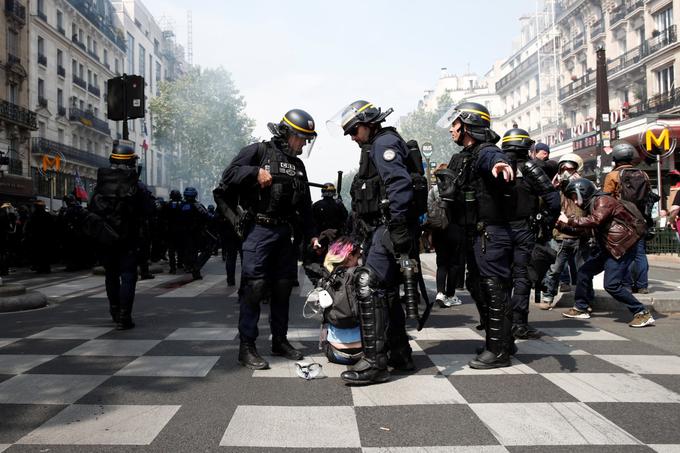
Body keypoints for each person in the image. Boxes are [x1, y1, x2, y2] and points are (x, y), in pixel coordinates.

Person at [333, 100, 424, 384]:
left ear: (369, 123)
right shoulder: (374, 145)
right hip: (382, 228)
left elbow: (398, 185)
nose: (351, 136)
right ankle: (399, 353)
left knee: (368, 285)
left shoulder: (384, 142)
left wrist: (396, 227)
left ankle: (375, 362)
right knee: (384, 291)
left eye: (354, 130)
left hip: (389, 227)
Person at [220, 109, 319, 370]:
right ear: (286, 133)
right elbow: (228, 176)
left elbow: (306, 205)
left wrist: (312, 235)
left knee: (283, 288)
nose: (304, 144)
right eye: (301, 137)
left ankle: (280, 341)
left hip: (285, 233)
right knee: (254, 289)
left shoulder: (298, 165)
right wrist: (254, 172)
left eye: (307, 139)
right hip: (259, 230)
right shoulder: (257, 151)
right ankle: (247, 348)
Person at [436, 101, 516, 369]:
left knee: (494, 288)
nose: (451, 130)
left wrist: (501, 164)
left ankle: (499, 350)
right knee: (477, 286)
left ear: (468, 126)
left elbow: (493, 157)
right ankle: (502, 340)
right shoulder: (464, 156)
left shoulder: (486, 151)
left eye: (455, 124)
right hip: (474, 235)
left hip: (490, 233)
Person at [559, 178, 655, 327]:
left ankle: (641, 312)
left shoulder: (603, 201)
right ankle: (581, 307)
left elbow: (595, 221)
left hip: (621, 248)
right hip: (609, 248)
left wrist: (570, 220)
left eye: (574, 197)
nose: (575, 202)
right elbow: (585, 230)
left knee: (612, 285)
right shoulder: (593, 204)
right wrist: (561, 226)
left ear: (582, 192)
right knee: (584, 272)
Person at [500, 127, 560, 339]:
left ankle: (501, 324)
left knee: (500, 278)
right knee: (522, 276)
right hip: (524, 229)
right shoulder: (530, 169)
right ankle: (519, 324)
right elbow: (553, 200)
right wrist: (546, 222)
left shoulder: (495, 168)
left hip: (498, 230)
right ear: (526, 147)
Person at [89, 140, 152, 330]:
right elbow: (149, 210)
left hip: (106, 239)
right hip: (128, 239)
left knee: (111, 275)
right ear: (131, 162)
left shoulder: (100, 184)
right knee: (128, 276)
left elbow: (92, 208)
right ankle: (125, 316)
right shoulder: (137, 186)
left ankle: (114, 310)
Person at [603, 141, 652, 294]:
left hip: (622, 220)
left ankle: (627, 285)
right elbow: (648, 196)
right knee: (640, 253)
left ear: (615, 158)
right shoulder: (643, 174)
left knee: (625, 252)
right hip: (640, 218)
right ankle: (643, 285)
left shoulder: (612, 175)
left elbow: (607, 199)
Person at [541, 153, 589, 307]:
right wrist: (551, 188)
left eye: (571, 169)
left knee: (584, 271)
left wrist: (582, 189)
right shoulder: (555, 188)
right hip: (561, 235)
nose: (567, 172)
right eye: (563, 169)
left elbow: (593, 207)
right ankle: (548, 296)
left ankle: (585, 299)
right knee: (555, 269)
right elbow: (543, 203)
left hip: (581, 235)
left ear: (578, 169)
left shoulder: (587, 186)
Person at [427, 171, 463, 307]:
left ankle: (440, 293)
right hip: (454, 228)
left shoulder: (433, 191)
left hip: (438, 229)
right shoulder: (456, 189)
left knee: (441, 263)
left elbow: (429, 208)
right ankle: (451, 294)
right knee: (453, 264)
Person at [180, 187, 212, 280]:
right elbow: (207, 216)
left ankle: (193, 269)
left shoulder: (181, 206)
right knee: (207, 250)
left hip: (183, 234)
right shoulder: (197, 205)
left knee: (191, 252)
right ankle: (195, 268)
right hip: (197, 233)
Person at [165, 189, 184, 274]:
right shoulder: (183, 205)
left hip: (170, 231)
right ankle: (180, 264)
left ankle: (172, 267)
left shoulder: (167, 205)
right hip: (181, 230)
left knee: (171, 250)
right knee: (180, 248)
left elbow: (162, 218)